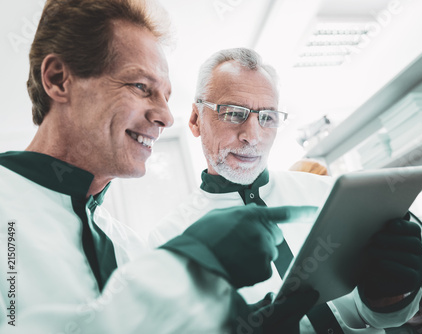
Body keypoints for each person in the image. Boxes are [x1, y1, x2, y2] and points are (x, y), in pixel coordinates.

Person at [0, 2, 318, 333]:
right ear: (58, 79)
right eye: (141, 87)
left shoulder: (128, 248)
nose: (166, 117)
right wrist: (183, 267)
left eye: (166, 96)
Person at [149, 48, 422, 334]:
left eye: (267, 117)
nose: (253, 136)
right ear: (196, 119)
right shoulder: (168, 242)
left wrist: (390, 296)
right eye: (233, 113)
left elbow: (382, 317)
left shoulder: (331, 196)